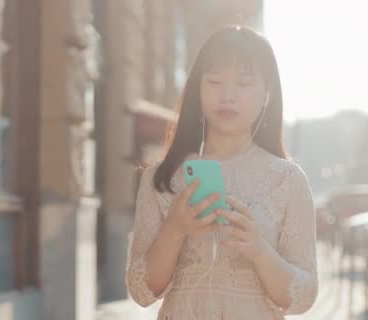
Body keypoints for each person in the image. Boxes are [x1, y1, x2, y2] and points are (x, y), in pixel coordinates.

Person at [125, 25, 318, 319]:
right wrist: (175, 229)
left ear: (267, 93)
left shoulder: (287, 180)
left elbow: (302, 298)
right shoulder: (161, 179)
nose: (227, 95)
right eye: (214, 81)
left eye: (243, 83)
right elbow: (141, 292)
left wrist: (258, 249)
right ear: (198, 91)